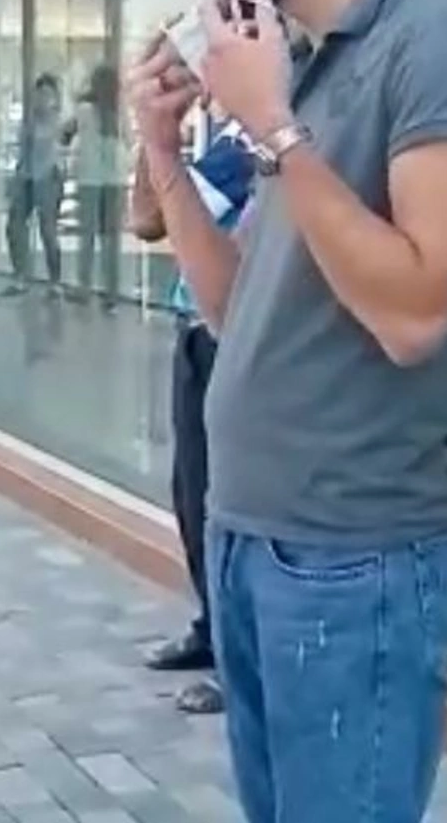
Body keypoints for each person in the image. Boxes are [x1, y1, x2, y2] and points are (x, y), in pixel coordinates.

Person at [128, 0, 447, 823]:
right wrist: (163, 149)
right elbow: (241, 312)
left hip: (355, 565)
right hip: (251, 540)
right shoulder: (305, 61)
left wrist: (272, 125)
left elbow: (416, 313)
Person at [131, 109, 254, 715]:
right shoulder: (228, 131)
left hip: (238, 337)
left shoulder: (257, 136)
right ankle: (215, 630)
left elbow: (154, 215)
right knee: (194, 494)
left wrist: (162, 150)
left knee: (231, 504)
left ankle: (242, 660)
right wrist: (154, 132)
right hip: (198, 328)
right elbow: (146, 219)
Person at [4, 73, 65, 296]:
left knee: (47, 230)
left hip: (47, 177)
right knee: (14, 225)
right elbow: (22, 150)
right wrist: (17, 177)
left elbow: (54, 146)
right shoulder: (28, 120)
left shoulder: (56, 121)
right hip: (27, 176)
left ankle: (55, 282)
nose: (41, 99)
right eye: (39, 94)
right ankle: (20, 275)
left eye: (46, 95)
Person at [72, 63, 125, 310]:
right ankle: (111, 291)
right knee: (110, 238)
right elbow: (128, 141)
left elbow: (67, 131)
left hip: (90, 178)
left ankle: (84, 287)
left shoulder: (84, 111)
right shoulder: (119, 113)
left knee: (88, 235)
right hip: (114, 178)